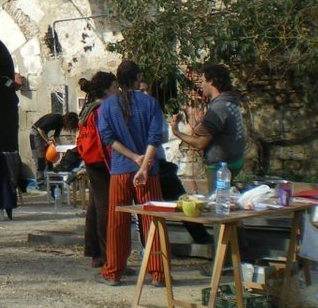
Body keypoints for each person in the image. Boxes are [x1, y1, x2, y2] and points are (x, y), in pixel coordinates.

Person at [97, 60, 166, 287]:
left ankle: (113, 271)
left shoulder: (107, 106)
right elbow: (155, 138)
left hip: (120, 170)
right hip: (149, 172)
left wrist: (133, 157)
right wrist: (143, 165)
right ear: (138, 78)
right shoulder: (150, 103)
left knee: (117, 222)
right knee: (152, 220)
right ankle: (158, 272)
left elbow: (108, 138)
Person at [169, 63, 246, 188]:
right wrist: (200, 123)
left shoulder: (218, 108)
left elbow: (200, 143)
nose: (201, 85)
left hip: (221, 167)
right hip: (235, 160)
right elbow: (215, 129)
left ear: (212, 82)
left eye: (203, 81)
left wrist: (177, 132)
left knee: (217, 198)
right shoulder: (231, 101)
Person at [76, 71, 116, 270]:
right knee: (105, 209)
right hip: (102, 163)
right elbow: (105, 140)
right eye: (114, 87)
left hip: (91, 161)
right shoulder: (101, 110)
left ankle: (95, 253)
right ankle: (109, 257)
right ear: (106, 89)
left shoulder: (88, 108)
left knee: (94, 206)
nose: (117, 91)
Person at [30, 111, 79, 181]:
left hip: (43, 134)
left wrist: (62, 150)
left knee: (48, 160)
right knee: (39, 159)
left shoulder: (61, 123)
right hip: (36, 134)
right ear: (69, 122)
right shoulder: (55, 118)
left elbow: (56, 137)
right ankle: (40, 182)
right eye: (70, 126)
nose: (69, 128)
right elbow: (40, 128)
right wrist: (47, 140)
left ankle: (50, 180)